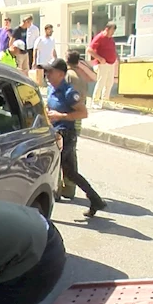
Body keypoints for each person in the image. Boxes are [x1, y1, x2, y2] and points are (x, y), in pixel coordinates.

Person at [42, 58, 106, 217]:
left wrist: (61, 115)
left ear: (61, 74)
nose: (47, 74)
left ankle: (43, 209)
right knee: (70, 172)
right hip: (55, 133)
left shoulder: (69, 92)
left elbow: (83, 113)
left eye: (50, 71)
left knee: (51, 168)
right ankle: (96, 200)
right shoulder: (51, 89)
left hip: (66, 134)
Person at [58, 50, 92, 200]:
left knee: (61, 155)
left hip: (67, 119)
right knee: (71, 153)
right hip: (77, 120)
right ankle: (69, 187)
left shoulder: (67, 77)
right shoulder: (82, 77)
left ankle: (61, 186)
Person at [87, 22, 118, 109]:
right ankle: (95, 101)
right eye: (112, 31)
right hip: (102, 64)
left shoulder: (111, 39)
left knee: (109, 83)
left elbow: (113, 50)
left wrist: (116, 59)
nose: (112, 33)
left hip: (111, 64)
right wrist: (100, 58)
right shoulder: (100, 37)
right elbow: (89, 49)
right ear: (107, 29)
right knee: (101, 82)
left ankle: (105, 101)